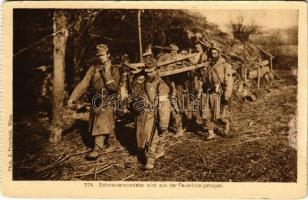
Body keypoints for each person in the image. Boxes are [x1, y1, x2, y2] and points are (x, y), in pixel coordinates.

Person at [68, 44, 121, 160]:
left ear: (108, 54)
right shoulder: (93, 68)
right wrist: (73, 98)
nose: (100, 57)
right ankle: (112, 143)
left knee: (101, 121)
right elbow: (84, 84)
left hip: (110, 99)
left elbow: (114, 87)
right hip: (96, 99)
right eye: (98, 55)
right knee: (101, 122)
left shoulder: (114, 68)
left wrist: (106, 73)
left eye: (102, 55)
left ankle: (97, 148)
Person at [132, 49, 170, 170]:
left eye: (152, 71)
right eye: (147, 71)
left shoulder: (161, 85)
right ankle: (159, 151)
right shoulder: (141, 81)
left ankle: (150, 160)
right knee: (141, 137)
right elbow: (135, 95)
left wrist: (163, 121)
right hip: (141, 114)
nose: (149, 74)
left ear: (157, 70)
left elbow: (164, 106)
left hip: (153, 114)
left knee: (151, 137)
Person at [200, 47, 234, 140]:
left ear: (219, 53)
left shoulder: (225, 66)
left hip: (219, 93)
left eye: (215, 53)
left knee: (220, 116)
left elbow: (229, 82)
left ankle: (225, 126)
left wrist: (226, 96)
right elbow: (203, 78)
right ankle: (210, 133)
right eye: (212, 53)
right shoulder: (208, 65)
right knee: (206, 113)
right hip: (207, 93)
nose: (213, 55)